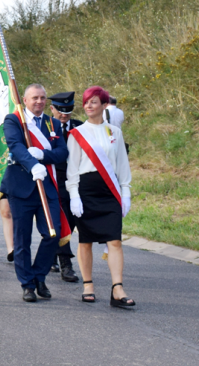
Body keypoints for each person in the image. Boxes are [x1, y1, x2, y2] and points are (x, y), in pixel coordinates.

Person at [66, 86, 135, 308]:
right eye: (86, 102)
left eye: (93, 102)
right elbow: (72, 168)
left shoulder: (115, 132)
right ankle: (88, 285)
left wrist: (126, 191)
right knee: (85, 241)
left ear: (105, 105)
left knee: (114, 240)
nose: (88, 105)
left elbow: (122, 164)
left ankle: (117, 288)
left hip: (109, 191)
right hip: (86, 190)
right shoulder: (77, 133)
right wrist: (74, 195)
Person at [0, 84, 68, 302]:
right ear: (25, 100)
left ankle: (39, 276)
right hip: (21, 187)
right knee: (22, 239)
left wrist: (43, 156)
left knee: (52, 233)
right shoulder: (14, 120)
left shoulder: (53, 123)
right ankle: (27, 284)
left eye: (43, 98)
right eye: (35, 98)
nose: (39, 102)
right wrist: (31, 164)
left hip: (46, 187)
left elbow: (62, 153)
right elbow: (15, 146)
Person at [48, 91, 83, 282]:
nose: (64, 115)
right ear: (52, 108)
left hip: (75, 181)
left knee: (72, 221)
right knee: (60, 221)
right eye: (60, 111)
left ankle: (53, 253)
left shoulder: (80, 127)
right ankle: (66, 265)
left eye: (68, 111)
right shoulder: (46, 126)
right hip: (54, 179)